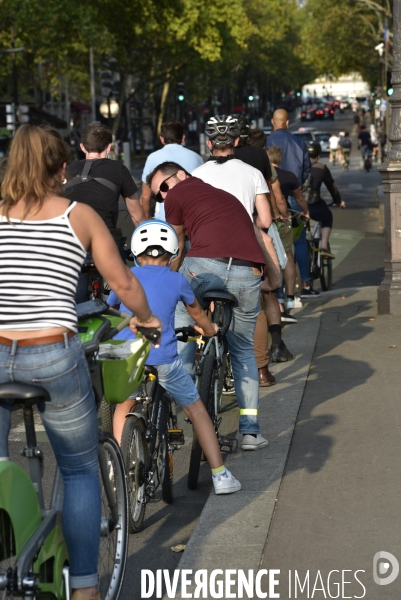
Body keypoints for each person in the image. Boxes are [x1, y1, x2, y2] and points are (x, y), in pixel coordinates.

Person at [0, 125, 161, 600]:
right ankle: (86, 588)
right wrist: (148, 319)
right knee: (77, 469)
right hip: (53, 352)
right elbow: (125, 285)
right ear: (62, 169)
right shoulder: (79, 215)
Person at [107, 220, 241, 494]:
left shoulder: (125, 275)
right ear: (173, 254)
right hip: (161, 354)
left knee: (124, 405)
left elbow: (110, 308)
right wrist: (210, 330)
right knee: (196, 410)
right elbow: (198, 315)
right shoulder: (177, 280)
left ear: (135, 252)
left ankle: (118, 467)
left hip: (123, 354)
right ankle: (221, 476)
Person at [147, 161, 269, 451]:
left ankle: (184, 392)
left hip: (202, 266)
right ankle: (250, 433)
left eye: (163, 187)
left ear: (180, 175)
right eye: (157, 195)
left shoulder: (177, 195)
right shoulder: (228, 198)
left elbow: (175, 243)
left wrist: (167, 280)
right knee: (243, 351)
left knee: (181, 320)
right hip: (247, 272)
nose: (163, 196)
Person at [266, 109, 318, 299]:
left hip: (273, 198)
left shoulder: (267, 142)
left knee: (275, 244)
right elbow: (306, 169)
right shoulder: (298, 142)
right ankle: (305, 284)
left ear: (273, 122)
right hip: (294, 195)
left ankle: (277, 290)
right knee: (299, 242)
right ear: (287, 123)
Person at [64, 123, 144, 233]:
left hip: (73, 240)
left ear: (82, 147)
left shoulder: (68, 170)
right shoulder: (118, 169)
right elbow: (137, 215)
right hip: (107, 239)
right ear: (109, 147)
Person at [140, 120, 204, 220]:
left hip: (165, 221)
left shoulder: (152, 157)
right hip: (193, 219)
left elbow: (145, 196)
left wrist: (147, 219)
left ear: (162, 139)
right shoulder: (197, 157)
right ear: (183, 138)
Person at [307, 141, 345, 257]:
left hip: (298, 206)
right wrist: (338, 201)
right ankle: (324, 247)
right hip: (314, 205)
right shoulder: (321, 168)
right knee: (327, 216)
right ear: (318, 155)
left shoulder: (297, 167)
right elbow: (331, 186)